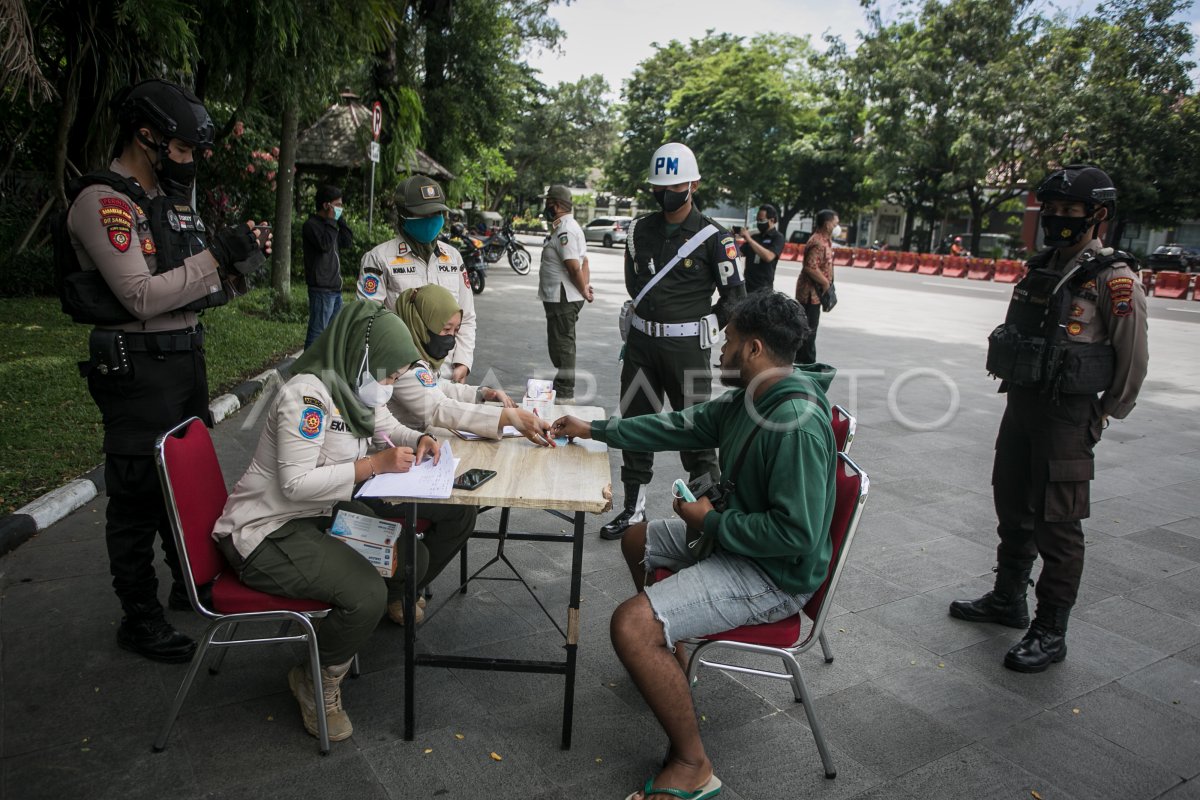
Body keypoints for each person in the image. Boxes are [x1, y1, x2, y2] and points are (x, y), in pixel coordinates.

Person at [550, 291, 836, 800]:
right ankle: (672, 650)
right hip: (737, 541)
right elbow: (677, 425)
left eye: (725, 343)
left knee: (630, 625)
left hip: (773, 575)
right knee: (636, 537)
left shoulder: (794, 425)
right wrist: (596, 429)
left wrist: (713, 523)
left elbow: (797, 536)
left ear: (752, 349)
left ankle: (692, 763)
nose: (718, 353)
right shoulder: (753, 396)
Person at [66, 78, 270, 663]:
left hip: (183, 362)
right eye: (182, 150)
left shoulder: (171, 208)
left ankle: (190, 582)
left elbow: (193, 290)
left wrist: (235, 265)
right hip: (137, 367)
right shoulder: (106, 203)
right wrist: (214, 259)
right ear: (146, 136)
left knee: (182, 484)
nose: (189, 162)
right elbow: (138, 294)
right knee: (135, 495)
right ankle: (139, 615)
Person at [950, 164, 1149, 673]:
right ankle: (1008, 598)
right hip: (1023, 406)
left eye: (1069, 212)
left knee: (1059, 526)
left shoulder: (1114, 279)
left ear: (1098, 216)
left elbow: (1133, 360)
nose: (1057, 220)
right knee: (1012, 505)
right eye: (1052, 210)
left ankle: (1050, 630)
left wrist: (1102, 415)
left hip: (1068, 415)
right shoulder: (1042, 266)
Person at [213, 301, 437, 741]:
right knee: (367, 593)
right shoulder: (307, 395)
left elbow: (387, 428)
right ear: (362, 354)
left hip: (315, 515)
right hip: (265, 531)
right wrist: (374, 465)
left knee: (413, 555)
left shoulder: (354, 388)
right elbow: (295, 484)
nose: (390, 386)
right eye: (389, 375)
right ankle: (316, 681)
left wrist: (422, 439)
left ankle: (347, 632)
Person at [600, 142, 747, 541]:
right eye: (658, 186)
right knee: (635, 423)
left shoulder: (716, 237)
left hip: (688, 353)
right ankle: (633, 508)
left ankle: (710, 518)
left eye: (675, 185)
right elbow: (636, 285)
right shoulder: (638, 230)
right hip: (642, 348)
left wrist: (708, 325)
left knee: (697, 433)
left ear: (693, 184)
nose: (666, 193)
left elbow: (735, 297)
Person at [386, 285, 554, 445]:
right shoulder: (401, 362)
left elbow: (434, 386)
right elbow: (438, 408)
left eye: (455, 331)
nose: (451, 340)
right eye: (445, 330)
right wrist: (509, 417)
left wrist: (482, 393)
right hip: (392, 450)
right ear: (421, 323)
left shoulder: (419, 352)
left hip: (415, 441)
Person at [358, 175, 476, 383]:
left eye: (437, 212)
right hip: (402, 374)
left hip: (447, 372)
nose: (432, 218)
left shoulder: (452, 257)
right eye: (424, 213)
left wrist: (463, 361)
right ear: (403, 215)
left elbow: (466, 316)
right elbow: (367, 321)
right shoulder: (379, 259)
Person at [538, 185, 593, 402]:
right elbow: (584, 260)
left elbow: (573, 267)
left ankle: (565, 389)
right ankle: (563, 383)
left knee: (563, 344)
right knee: (560, 342)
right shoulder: (566, 226)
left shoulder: (565, 230)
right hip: (562, 295)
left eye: (548, 203)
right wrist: (585, 288)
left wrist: (583, 290)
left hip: (563, 296)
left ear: (557, 205)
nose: (546, 208)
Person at [302, 185, 353, 348]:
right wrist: (332, 221)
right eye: (337, 205)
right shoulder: (311, 225)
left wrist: (341, 221)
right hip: (321, 289)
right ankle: (306, 369)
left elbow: (347, 243)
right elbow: (324, 245)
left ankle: (323, 366)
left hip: (335, 288)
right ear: (326, 205)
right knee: (317, 332)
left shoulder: (330, 226)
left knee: (333, 332)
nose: (340, 208)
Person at [795, 208, 837, 364]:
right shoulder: (818, 242)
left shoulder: (825, 241)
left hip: (815, 295)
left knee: (810, 331)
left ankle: (805, 362)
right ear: (827, 224)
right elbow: (810, 267)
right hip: (809, 295)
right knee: (808, 332)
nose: (836, 226)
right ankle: (805, 364)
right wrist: (825, 282)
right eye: (835, 223)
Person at [740, 203, 786, 294]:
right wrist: (731, 238)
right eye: (757, 220)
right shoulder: (755, 237)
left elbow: (769, 257)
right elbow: (737, 253)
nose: (758, 223)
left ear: (772, 220)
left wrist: (749, 239)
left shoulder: (778, 237)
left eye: (761, 220)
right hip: (747, 286)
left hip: (763, 289)